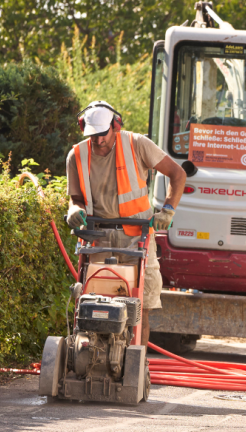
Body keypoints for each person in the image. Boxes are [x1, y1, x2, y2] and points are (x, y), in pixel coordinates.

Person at [66, 100, 186, 347]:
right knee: (91, 301)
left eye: (103, 134)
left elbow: (178, 173)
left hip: (136, 238)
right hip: (97, 238)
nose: (98, 141)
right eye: (93, 135)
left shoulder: (137, 144)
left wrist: (168, 210)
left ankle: (136, 358)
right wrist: (74, 210)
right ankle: (93, 354)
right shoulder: (76, 155)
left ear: (115, 126)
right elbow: (76, 198)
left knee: (140, 305)